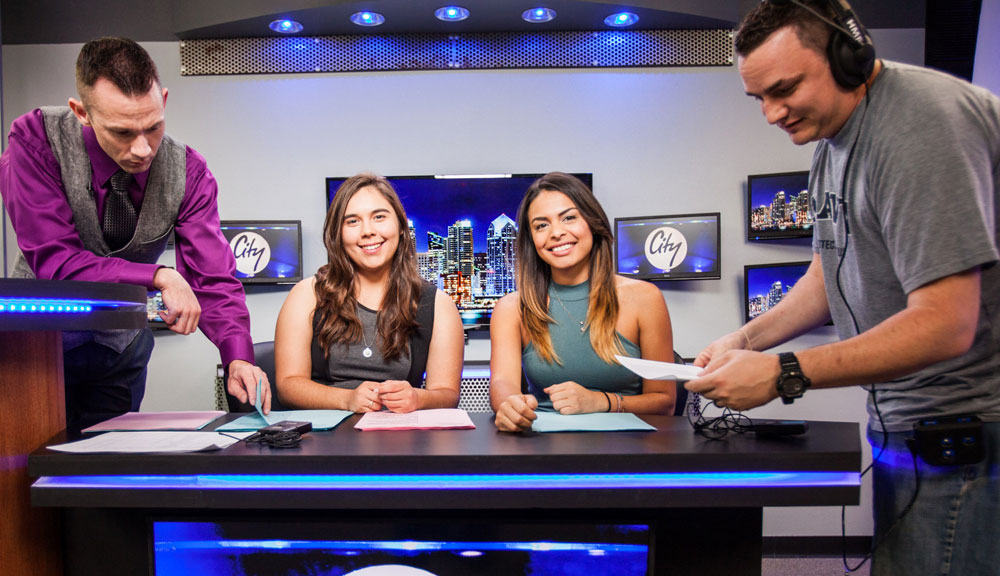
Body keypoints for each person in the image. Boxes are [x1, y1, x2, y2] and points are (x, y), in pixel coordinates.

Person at [686, 1, 999, 574]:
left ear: (848, 55)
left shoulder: (921, 126)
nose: (772, 114)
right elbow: (824, 276)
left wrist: (783, 373)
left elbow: (946, 322)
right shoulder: (833, 145)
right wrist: (744, 341)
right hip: (910, 425)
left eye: (784, 89)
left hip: (969, 432)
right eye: (759, 99)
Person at [0, 37, 270, 430]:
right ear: (82, 112)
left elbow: (212, 277)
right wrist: (160, 276)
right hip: (35, 351)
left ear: (163, 99)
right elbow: (56, 262)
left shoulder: (189, 172)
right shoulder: (36, 139)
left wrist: (238, 357)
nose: (143, 149)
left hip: (121, 352)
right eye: (123, 132)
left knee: (111, 464)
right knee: (28, 463)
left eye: (153, 127)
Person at [490, 172, 675, 432]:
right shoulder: (511, 308)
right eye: (541, 226)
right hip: (541, 445)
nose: (556, 233)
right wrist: (509, 405)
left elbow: (664, 402)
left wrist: (601, 401)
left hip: (629, 448)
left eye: (569, 218)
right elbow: (502, 383)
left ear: (592, 221)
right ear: (531, 240)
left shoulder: (645, 298)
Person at [274, 172, 464, 412]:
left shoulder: (437, 304)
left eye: (379, 217)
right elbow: (288, 385)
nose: (368, 231)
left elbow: (447, 394)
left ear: (400, 225)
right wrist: (346, 399)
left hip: (402, 431)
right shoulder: (307, 294)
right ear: (338, 233)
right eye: (352, 221)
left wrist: (418, 399)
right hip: (326, 432)